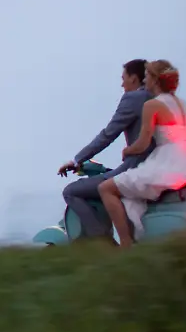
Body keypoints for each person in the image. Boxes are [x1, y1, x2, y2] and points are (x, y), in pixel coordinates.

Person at [97, 59, 186, 247]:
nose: (145, 81)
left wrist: (127, 150)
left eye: (148, 76)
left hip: (166, 165)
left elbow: (142, 143)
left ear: (155, 80)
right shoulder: (184, 105)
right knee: (131, 187)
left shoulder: (152, 105)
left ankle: (125, 243)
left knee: (106, 188)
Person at [58, 59, 156, 241]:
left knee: (70, 191)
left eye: (123, 78)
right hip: (158, 165)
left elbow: (108, 134)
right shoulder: (158, 99)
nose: (122, 84)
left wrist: (77, 160)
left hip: (136, 167)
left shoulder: (134, 99)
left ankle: (101, 239)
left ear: (134, 79)